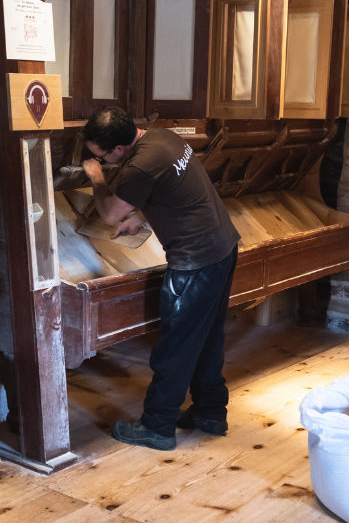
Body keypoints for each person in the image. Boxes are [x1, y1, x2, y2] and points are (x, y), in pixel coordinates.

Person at [82, 105, 240, 451]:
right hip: (222, 248)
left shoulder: (137, 167)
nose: (101, 161)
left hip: (196, 262)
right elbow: (174, 188)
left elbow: (109, 213)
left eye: (102, 157)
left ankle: (157, 426)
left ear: (119, 148)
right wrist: (142, 215)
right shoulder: (164, 138)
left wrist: (95, 176)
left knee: (176, 346)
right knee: (207, 337)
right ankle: (210, 413)